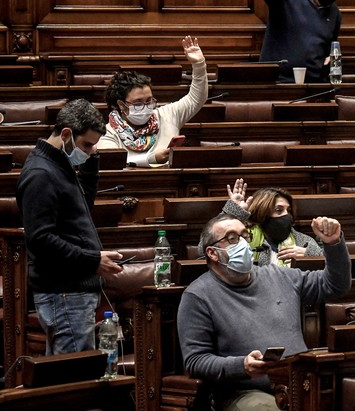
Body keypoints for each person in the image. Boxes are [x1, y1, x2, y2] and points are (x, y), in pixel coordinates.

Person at [178, 212, 351, 410]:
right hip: (244, 392)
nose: (243, 243)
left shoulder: (280, 276)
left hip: (301, 383)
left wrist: (333, 244)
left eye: (245, 236)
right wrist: (242, 365)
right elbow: (195, 361)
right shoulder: (197, 296)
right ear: (212, 252)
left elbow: (336, 285)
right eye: (232, 238)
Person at [16, 99, 123, 355]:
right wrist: (91, 260)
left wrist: (91, 164)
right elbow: (40, 240)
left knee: (68, 378)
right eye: (87, 144)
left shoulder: (59, 165)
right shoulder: (40, 174)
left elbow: (80, 209)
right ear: (66, 134)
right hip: (63, 294)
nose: (89, 150)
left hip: (71, 294)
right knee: (72, 379)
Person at [97, 35, 208, 167]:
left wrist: (199, 65)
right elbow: (113, 162)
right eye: (138, 103)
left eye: (149, 101)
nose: (146, 107)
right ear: (121, 105)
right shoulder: (107, 133)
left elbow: (197, 98)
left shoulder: (167, 115)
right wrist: (152, 158)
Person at [223, 178, 323, 266]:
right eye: (279, 210)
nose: (286, 215)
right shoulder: (243, 238)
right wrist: (233, 214)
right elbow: (214, 251)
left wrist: (310, 256)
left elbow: (328, 270)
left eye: (288, 211)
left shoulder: (304, 241)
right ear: (262, 213)